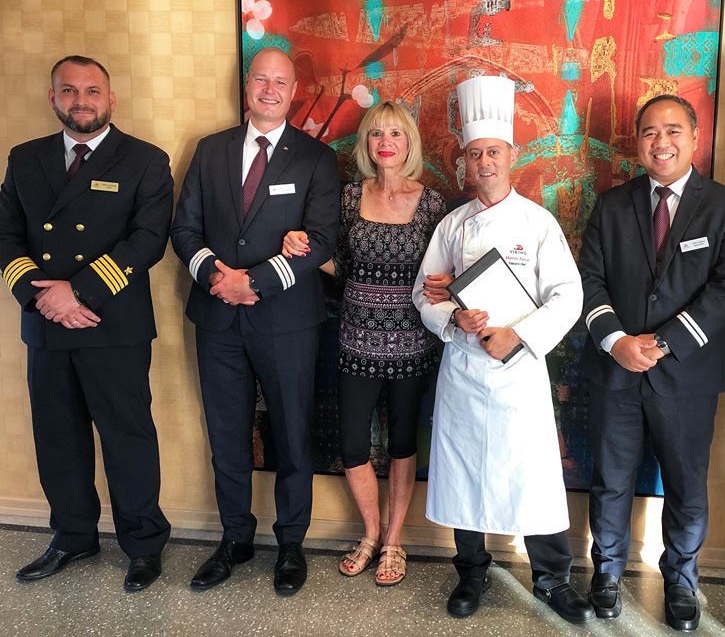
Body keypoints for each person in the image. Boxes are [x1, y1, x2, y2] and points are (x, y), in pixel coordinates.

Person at [412, 75, 592, 624]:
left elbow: (568, 296)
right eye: (475, 153)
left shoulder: (538, 224)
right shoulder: (451, 225)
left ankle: (552, 579)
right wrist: (453, 318)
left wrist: (521, 333)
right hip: (464, 367)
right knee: (464, 470)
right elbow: (424, 293)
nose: (484, 161)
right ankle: (471, 572)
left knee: (533, 473)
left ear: (511, 154)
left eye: (493, 151)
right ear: (464, 160)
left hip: (520, 372)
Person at [579, 94, 725, 630]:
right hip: (617, 369)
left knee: (685, 482)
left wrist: (662, 342)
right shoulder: (611, 204)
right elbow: (589, 281)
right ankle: (605, 574)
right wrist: (616, 341)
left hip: (688, 372)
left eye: (673, 130)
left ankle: (681, 579)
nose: (662, 142)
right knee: (610, 478)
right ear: (638, 143)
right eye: (650, 132)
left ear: (695, 137)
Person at [170, 46, 339, 595]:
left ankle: (291, 544)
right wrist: (216, 275)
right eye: (261, 79)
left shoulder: (316, 158)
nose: (270, 89)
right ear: (247, 87)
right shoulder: (211, 149)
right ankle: (235, 539)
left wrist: (256, 281)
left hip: (287, 321)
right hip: (217, 316)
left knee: (292, 433)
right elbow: (184, 230)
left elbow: (321, 241)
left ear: (294, 92)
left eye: (281, 82)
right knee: (226, 435)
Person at [0, 55, 172, 592]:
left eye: (92, 91)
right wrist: (41, 297)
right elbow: (6, 237)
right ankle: (73, 536)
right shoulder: (24, 159)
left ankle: (142, 545)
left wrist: (79, 291)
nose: (81, 100)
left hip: (113, 325)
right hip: (47, 324)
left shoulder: (144, 160)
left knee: (127, 437)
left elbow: (148, 240)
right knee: (57, 437)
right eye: (69, 91)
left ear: (111, 98)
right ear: (53, 98)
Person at [281, 100, 446, 586]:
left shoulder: (433, 204)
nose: (386, 141)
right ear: (367, 145)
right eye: (376, 134)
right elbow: (340, 264)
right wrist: (302, 249)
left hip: (412, 344)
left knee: (400, 443)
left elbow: (444, 272)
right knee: (353, 443)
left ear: (409, 142)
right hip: (354, 340)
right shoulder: (349, 197)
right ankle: (369, 533)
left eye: (395, 133)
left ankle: (394, 540)